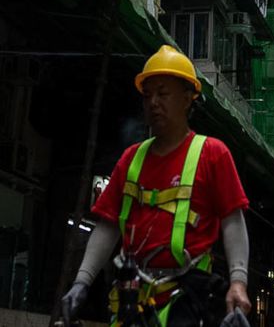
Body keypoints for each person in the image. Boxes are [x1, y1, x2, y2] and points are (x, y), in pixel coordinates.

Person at [61, 45, 252, 327]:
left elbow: (232, 221)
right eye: (147, 95)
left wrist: (238, 281)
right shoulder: (131, 159)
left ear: (187, 98)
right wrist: (82, 281)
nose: (153, 103)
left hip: (188, 296)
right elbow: (108, 226)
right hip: (131, 295)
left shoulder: (212, 154)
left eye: (163, 94)